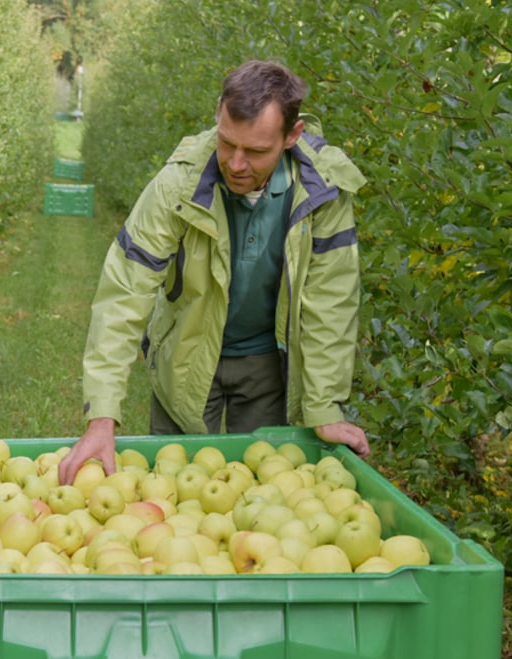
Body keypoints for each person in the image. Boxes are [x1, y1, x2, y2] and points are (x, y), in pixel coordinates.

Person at [59, 60, 370, 486]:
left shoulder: (322, 193)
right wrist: (102, 415)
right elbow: (125, 291)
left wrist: (323, 408)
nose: (236, 163)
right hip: (184, 354)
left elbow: (330, 305)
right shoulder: (178, 185)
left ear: (291, 137)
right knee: (171, 489)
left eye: (256, 151)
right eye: (227, 144)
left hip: (264, 367)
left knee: (261, 491)